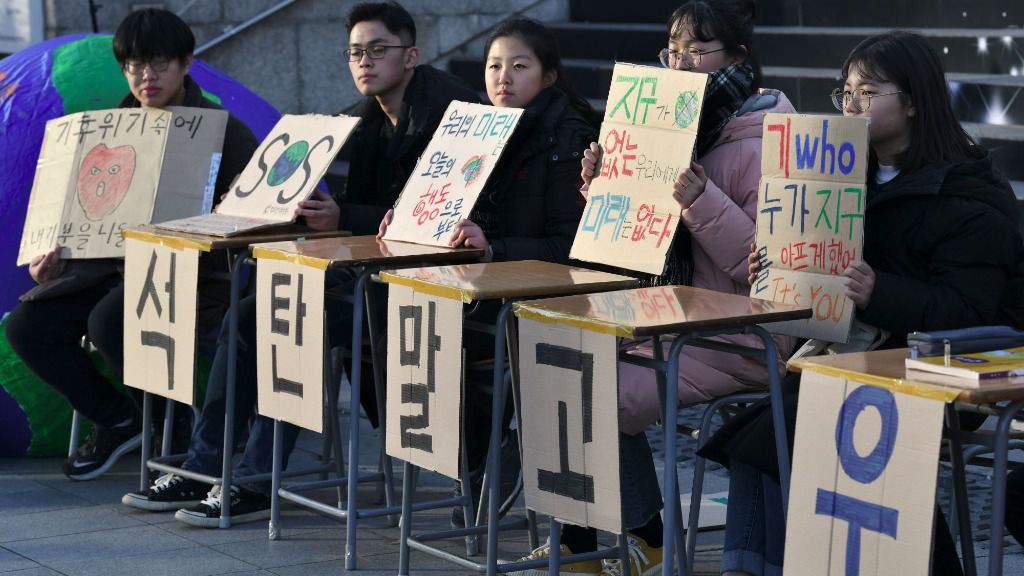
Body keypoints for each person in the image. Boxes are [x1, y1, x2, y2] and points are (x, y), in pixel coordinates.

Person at [121, 1, 480, 528]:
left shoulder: (454, 113)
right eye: (355, 52)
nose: (364, 62)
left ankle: (254, 481)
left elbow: (439, 211)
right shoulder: (360, 120)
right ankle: (204, 466)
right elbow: (352, 219)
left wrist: (343, 214)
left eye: (378, 50)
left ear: (412, 56)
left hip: (432, 282)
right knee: (249, 312)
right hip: (366, 273)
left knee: (294, 318)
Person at [704, 31, 1024, 576]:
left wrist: (882, 292)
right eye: (845, 92)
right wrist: (780, 270)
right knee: (758, 439)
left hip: (934, 364)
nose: (851, 105)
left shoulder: (969, 196)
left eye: (868, 92)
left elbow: (976, 314)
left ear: (915, 100)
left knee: (779, 433)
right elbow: (824, 280)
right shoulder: (843, 178)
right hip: (853, 358)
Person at [511, 2, 796, 574]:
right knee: (553, 359)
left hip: (739, 330)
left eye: (698, 51)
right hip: (664, 312)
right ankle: (579, 541)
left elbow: (765, 268)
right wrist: (601, 187)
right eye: (674, 51)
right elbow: (631, 239)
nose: (682, 64)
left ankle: (648, 533)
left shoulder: (772, 137)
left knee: (602, 387)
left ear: (737, 58)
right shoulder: (665, 127)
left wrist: (701, 199)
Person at [4, 7, 258, 482]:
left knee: (111, 319)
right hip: (103, 272)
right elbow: (76, 215)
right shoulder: (104, 131)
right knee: (27, 325)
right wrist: (53, 260)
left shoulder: (224, 130)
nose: (147, 76)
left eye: (159, 63)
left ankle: (173, 424)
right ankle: (119, 419)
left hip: (194, 277)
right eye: (135, 65)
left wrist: (232, 210)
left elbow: (257, 210)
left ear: (185, 64)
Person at [377, 16, 597, 530]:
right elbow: (451, 209)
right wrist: (410, 219)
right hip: (485, 285)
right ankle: (475, 468)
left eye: (520, 67)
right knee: (400, 327)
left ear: (548, 77)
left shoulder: (568, 137)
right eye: (494, 66)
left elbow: (571, 246)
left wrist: (494, 247)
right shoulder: (478, 129)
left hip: (552, 292)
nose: (503, 78)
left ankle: (497, 463)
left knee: (458, 340)